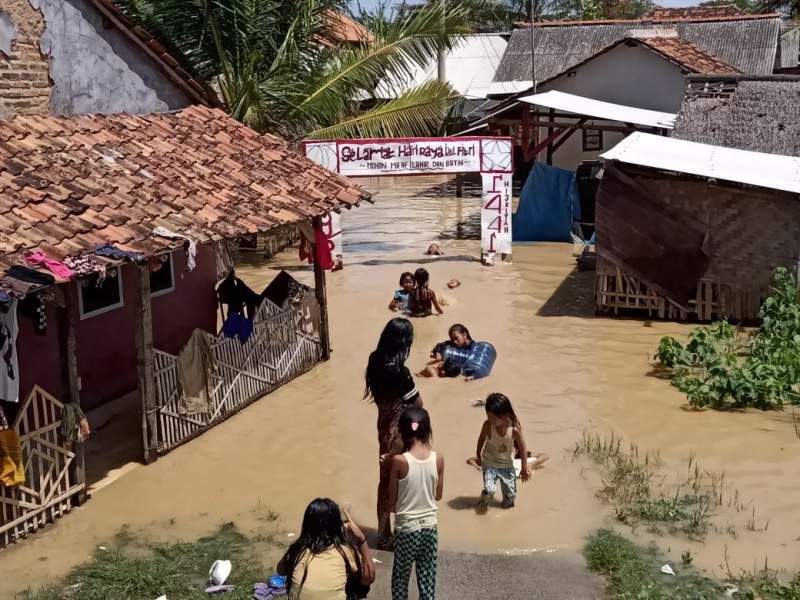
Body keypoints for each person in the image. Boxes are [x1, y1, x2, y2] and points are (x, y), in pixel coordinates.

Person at [364, 318, 422, 550]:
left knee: (384, 480)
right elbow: (418, 406)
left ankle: (383, 533)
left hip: (383, 427)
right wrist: (417, 433)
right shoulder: (400, 372)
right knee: (402, 482)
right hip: (400, 433)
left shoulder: (374, 360)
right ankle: (402, 534)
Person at [387, 407, 443, 600]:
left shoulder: (399, 461)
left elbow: (391, 500)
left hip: (407, 528)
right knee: (427, 578)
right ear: (427, 431)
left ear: (402, 432)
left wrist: (388, 468)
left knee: (401, 577)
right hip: (430, 527)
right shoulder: (439, 459)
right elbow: (438, 495)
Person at [277, 498, 375, 600]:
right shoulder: (344, 551)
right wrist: (361, 539)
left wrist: (296, 545)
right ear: (338, 525)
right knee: (358, 583)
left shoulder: (298, 549)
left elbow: (280, 570)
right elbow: (368, 578)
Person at [474, 393, 529, 510]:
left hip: (507, 465)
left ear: (506, 415)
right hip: (490, 463)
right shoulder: (487, 426)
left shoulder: (514, 430)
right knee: (490, 490)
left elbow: (523, 448)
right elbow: (481, 440)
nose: (490, 420)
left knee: (509, 499)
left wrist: (524, 468)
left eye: (493, 418)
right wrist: (478, 455)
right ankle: (483, 502)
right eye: (488, 417)